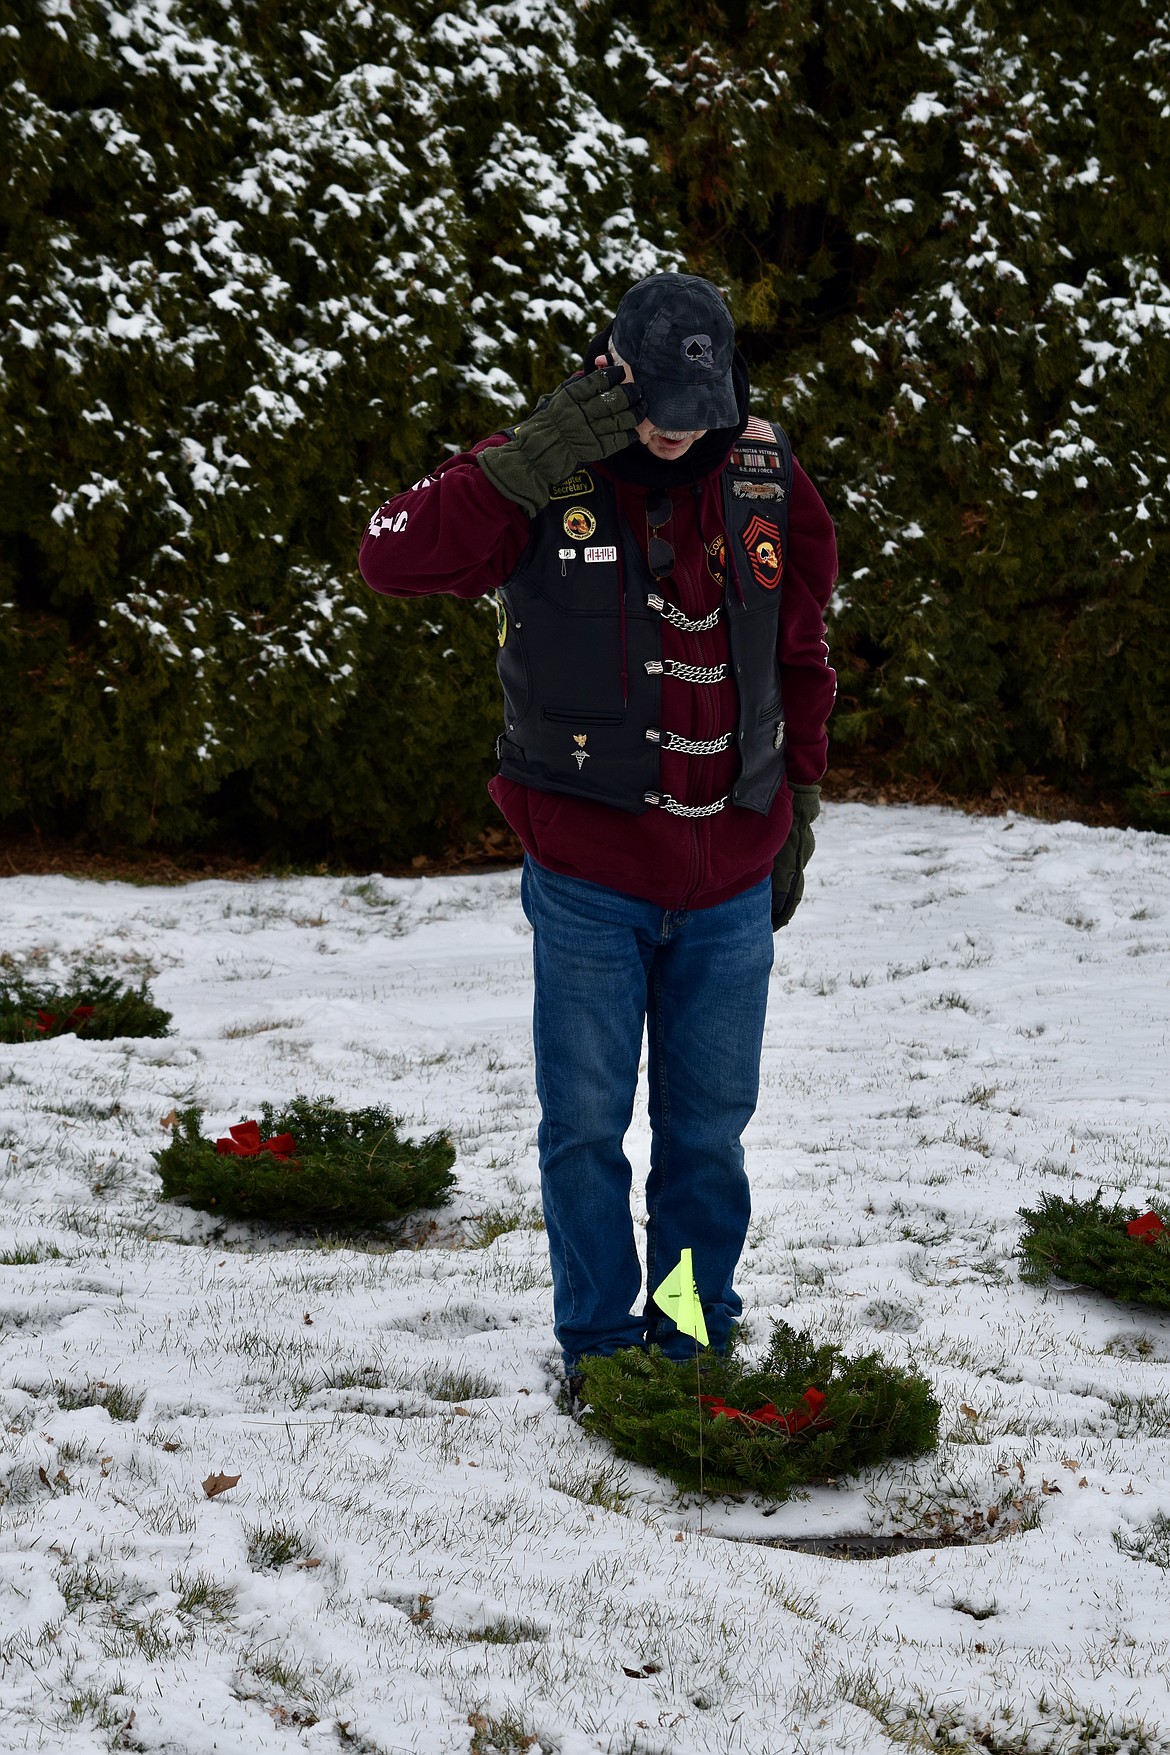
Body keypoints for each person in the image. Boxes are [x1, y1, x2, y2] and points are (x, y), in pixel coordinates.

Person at [359, 272, 837, 1401]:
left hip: (729, 873)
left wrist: (798, 808)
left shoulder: (766, 476)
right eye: (659, 407)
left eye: (698, 409)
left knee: (705, 1136)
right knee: (584, 1126)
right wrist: (521, 461)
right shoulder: (533, 474)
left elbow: (803, 655)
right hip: (587, 875)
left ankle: (685, 1329)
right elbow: (391, 556)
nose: (679, 435)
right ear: (615, 372)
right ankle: (600, 1342)